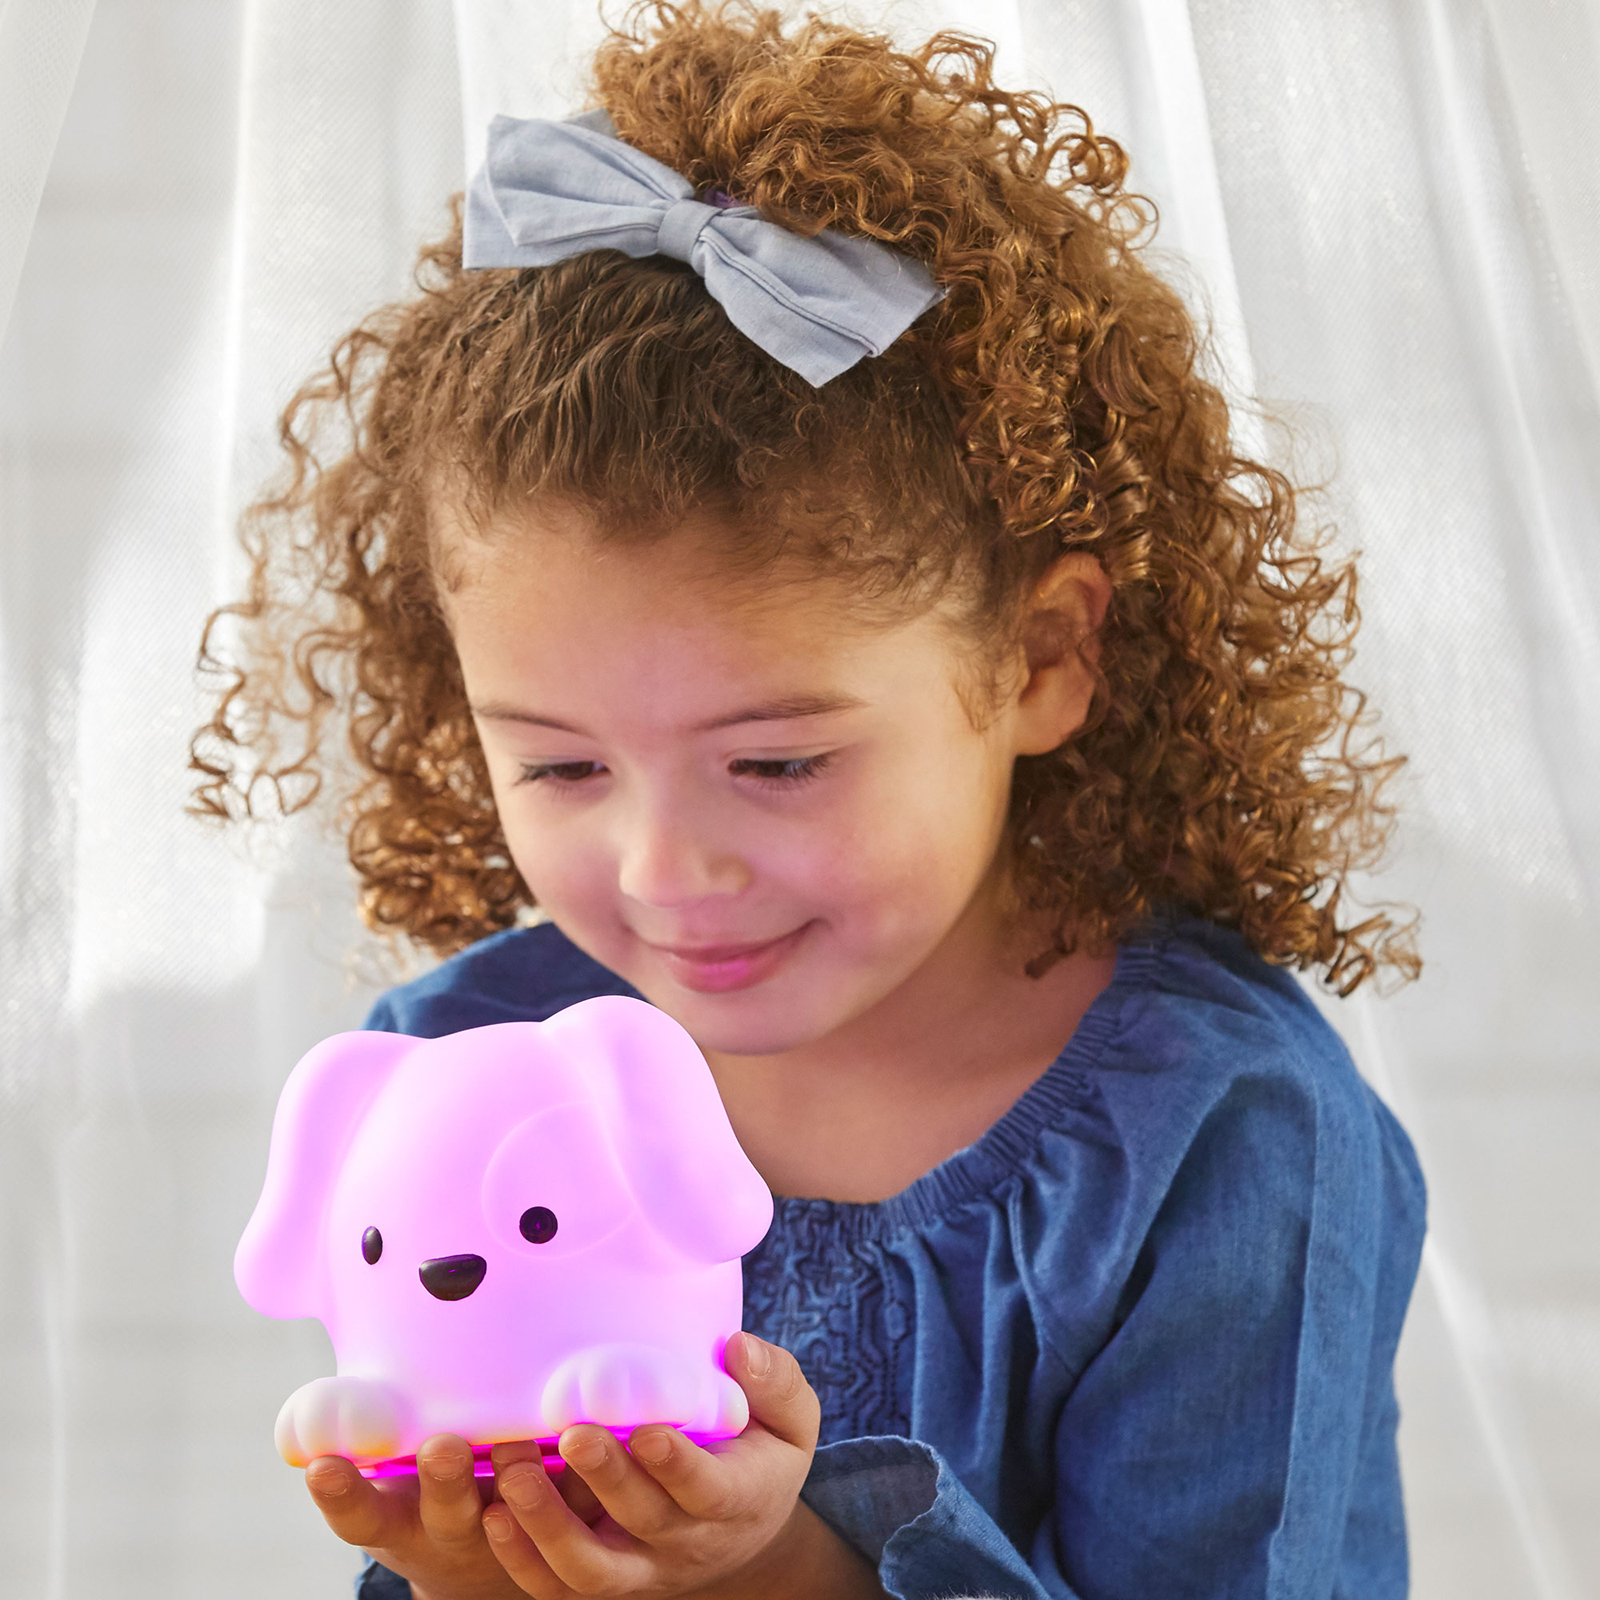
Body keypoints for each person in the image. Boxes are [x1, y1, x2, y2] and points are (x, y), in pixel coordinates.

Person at [191, 2, 1427, 1596]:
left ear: (1044, 658)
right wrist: (476, 1569)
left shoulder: (1216, 1141)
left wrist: (772, 1563)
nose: (665, 870)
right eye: (561, 764)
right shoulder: (451, 1074)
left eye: (775, 762)